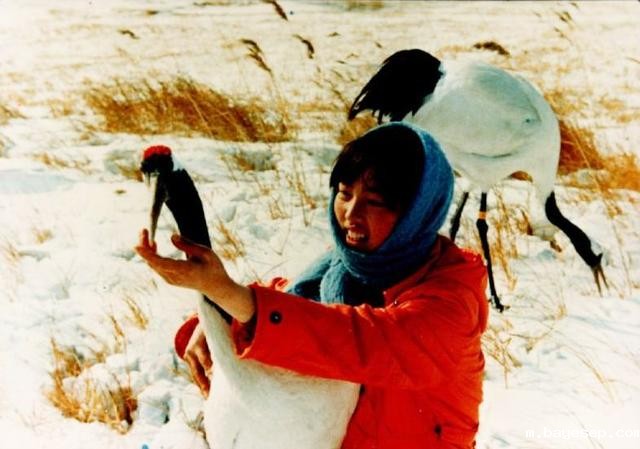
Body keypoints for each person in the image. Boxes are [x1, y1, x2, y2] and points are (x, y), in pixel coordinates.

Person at [136, 122, 488, 449]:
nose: (351, 214)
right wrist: (220, 316)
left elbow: (360, 339)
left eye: (375, 202)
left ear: (418, 212)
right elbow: (291, 300)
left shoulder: (451, 306)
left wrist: (229, 297)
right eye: (344, 193)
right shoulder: (342, 272)